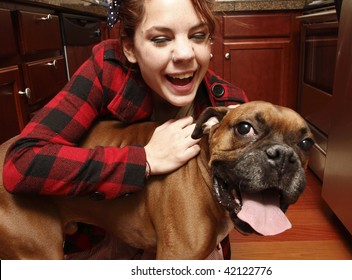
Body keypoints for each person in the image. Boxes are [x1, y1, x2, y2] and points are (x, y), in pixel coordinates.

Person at [2, 0, 248, 259]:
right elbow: (22, 162)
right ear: (130, 47)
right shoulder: (108, 71)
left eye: (198, 36)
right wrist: (143, 160)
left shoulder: (228, 109)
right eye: (161, 39)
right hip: (96, 224)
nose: (186, 54)